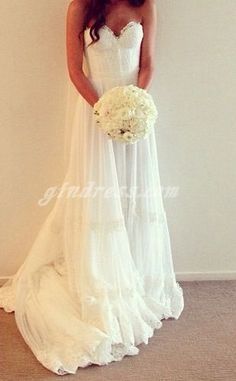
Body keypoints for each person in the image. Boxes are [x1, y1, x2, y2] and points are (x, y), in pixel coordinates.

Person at [0, 0, 184, 375]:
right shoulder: (80, 7)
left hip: (135, 116)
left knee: (133, 193)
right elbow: (74, 69)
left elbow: (147, 64)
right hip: (95, 113)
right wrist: (104, 110)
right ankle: (102, 271)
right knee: (95, 194)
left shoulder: (144, 5)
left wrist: (134, 104)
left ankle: (135, 272)